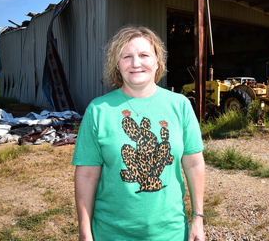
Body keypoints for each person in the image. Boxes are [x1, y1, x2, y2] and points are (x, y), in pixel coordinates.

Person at [72, 26, 205, 241]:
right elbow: (86, 175)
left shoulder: (179, 105)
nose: (136, 63)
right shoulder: (98, 110)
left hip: (170, 233)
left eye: (144, 55)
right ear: (117, 63)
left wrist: (198, 217)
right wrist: (85, 231)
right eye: (127, 56)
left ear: (157, 62)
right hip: (111, 233)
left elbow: (194, 164)